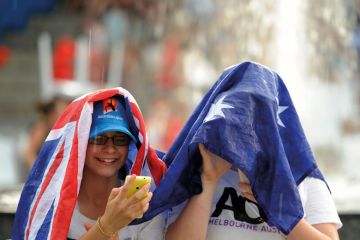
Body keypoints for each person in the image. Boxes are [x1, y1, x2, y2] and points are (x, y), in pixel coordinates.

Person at [160, 62, 342, 240]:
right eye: (236, 117)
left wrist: (278, 212)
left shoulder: (302, 174)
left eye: (258, 119)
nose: (245, 132)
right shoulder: (193, 169)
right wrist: (208, 181)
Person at [12, 88, 167, 240]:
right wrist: (106, 227)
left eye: (120, 139)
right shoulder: (51, 201)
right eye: (98, 139)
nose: (110, 149)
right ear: (80, 142)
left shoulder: (143, 202)